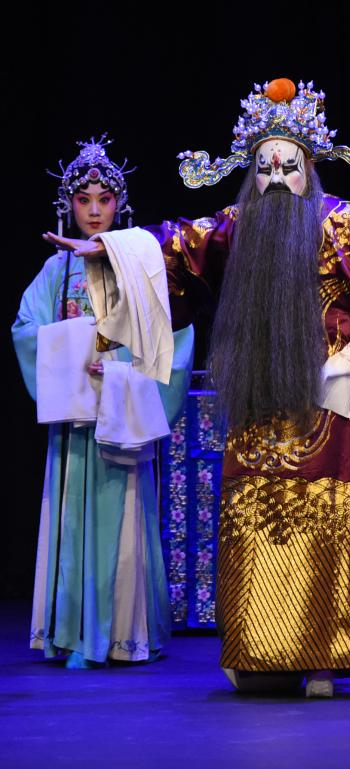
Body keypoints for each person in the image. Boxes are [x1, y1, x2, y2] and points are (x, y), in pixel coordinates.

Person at [43, 79, 350, 697]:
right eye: (266, 167)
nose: (277, 178)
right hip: (257, 400)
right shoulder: (236, 226)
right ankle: (255, 654)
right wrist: (108, 251)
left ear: (309, 169)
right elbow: (171, 248)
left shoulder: (349, 227)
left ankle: (323, 659)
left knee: (325, 521)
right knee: (253, 520)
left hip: (326, 404)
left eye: (289, 166)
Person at [15, 136, 194, 668]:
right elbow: (26, 329)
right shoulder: (57, 271)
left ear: (121, 204)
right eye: (83, 200)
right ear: (68, 206)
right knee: (71, 519)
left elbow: (173, 338)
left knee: (124, 515)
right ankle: (74, 635)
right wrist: (74, 350)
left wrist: (119, 367)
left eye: (105, 199)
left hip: (123, 411)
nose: (94, 210)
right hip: (75, 417)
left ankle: (122, 634)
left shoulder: (140, 268)